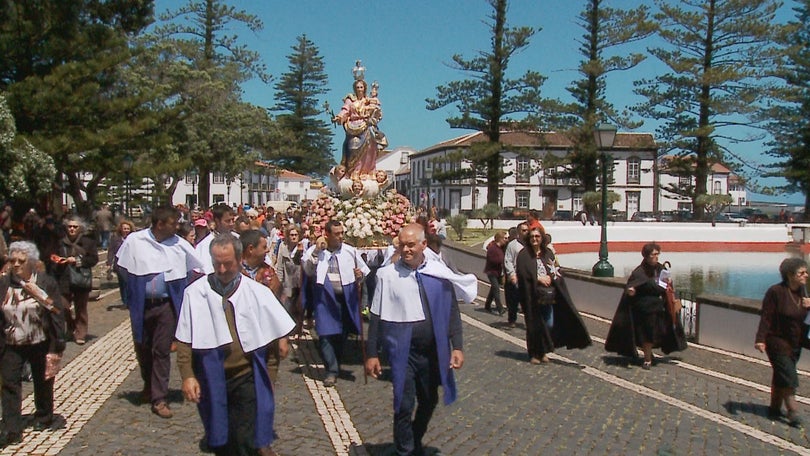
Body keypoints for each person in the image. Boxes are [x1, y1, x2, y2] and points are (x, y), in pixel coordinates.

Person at [176, 234, 295, 455]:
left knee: (245, 438)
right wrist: (187, 375)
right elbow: (184, 339)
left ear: (240, 259)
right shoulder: (194, 293)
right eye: (216, 264)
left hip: (247, 376)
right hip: (211, 377)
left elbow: (271, 343)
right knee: (220, 439)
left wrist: (269, 377)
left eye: (227, 264)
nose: (221, 270)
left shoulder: (257, 293)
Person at [365, 224, 477, 456]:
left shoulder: (438, 272)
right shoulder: (387, 275)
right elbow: (376, 315)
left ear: (423, 245)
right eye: (402, 245)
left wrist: (457, 346)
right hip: (402, 349)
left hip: (433, 351)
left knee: (429, 400)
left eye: (411, 245)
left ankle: (413, 438)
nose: (405, 250)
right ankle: (404, 450)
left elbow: (451, 311)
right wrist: (372, 353)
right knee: (404, 404)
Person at [116, 206, 204, 419]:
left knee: (162, 350)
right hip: (142, 304)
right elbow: (121, 268)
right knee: (143, 347)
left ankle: (159, 398)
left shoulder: (179, 244)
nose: (177, 227)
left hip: (166, 305)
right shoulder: (135, 241)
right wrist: (128, 296)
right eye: (173, 223)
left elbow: (196, 270)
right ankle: (149, 385)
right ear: (160, 224)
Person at [0, 241, 67, 447]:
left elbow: (56, 313)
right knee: (10, 383)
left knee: (42, 380)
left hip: (40, 340)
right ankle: (12, 428)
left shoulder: (45, 282)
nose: (17, 265)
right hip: (12, 343)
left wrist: (58, 344)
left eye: (22, 261)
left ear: (32, 262)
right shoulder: (3, 285)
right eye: (13, 261)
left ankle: (44, 415)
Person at [302, 220, 369, 387]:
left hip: (345, 297)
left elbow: (365, 270)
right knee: (325, 334)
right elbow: (307, 269)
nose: (341, 237)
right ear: (327, 234)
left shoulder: (350, 251)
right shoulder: (317, 250)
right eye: (337, 234)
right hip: (324, 297)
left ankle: (336, 364)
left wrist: (360, 275)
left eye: (342, 233)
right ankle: (331, 370)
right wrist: (317, 251)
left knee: (341, 334)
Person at [515, 226, 592, 364]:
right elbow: (522, 273)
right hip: (532, 296)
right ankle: (534, 353)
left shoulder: (548, 253)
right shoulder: (524, 255)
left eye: (537, 236)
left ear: (542, 238)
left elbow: (555, 269)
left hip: (548, 295)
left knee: (548, 324)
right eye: (532, 236)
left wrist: (551, 276)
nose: (534, 239)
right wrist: (538, 278)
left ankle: (543, 350)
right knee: (534, 326)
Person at [604, 243, 687, 369]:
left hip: (659, 308)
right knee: (647, 334)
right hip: (645, 308)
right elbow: (632, 286)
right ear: (647, 256)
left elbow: (666, 286)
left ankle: (648, 353)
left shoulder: (660, 269)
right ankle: (647, 359)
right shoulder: (639, 272)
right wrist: (631, 290)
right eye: (654, 254)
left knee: (657, 333)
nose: (656, 257)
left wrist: (669, 283)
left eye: (657, 254)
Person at [755, 258, 810, 427]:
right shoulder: (776, 292)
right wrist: (760, 339)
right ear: (790, 275)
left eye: (806, 272)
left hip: (795, 343)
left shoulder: (804, 292)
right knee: (789, 376)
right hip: (776, 341)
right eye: (801, 273)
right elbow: (766, 317)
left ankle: (774, 408)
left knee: (781, 375)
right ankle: (793, 411)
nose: (806, 275)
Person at [49, 216, 98, 345]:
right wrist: (58, 261)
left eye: (75, 227)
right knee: (62, 307)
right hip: (63, 279)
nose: (71, 229)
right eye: (69, 226)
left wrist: (78, 261)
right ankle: (70, 327)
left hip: (81, 279)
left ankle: (80, 333)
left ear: (80, 228)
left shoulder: (88, 242)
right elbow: (51, 257)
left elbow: (93, 259)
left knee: (81, 308)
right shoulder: (60, 242)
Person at [332, 75, 386, 180]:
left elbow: (377, 112)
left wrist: (374, 110)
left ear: (365, 88)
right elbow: (345, 110)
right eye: (357, 87)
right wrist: (339, 117)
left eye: (361, 87)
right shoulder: (350, 100)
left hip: (366, 125)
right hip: (353, 127)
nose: (359, 89)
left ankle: (367, 171)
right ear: (354, 88)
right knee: (353, 147)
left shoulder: (369, 100)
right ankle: (353, 171)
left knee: (370, 148)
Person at [275, 225, 304, 335]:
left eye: (296, 235)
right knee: (287, 306)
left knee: (299, 307)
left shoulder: (303, 247)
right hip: (288, 282)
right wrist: (279, 282)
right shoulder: (283, 247)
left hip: (300, 282)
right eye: (291, 235)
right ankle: (289, 329)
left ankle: (298, 329)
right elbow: (280, 266)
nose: (294, 237)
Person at [196, 204, 237, 274]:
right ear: (217, 221)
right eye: (227, 221)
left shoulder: (237, 238)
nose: (231, 224)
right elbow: (206, 270)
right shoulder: (205, 244)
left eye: (233, 220)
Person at [504, 223, 529, 328]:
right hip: (515, 277)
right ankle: (512, 320)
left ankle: (529, 322)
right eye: (523, 230)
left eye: (527, 230)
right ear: (518, 232)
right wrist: (512, 275)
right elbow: (508, 260)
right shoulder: (512, 245)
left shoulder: (531, 244)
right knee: (513, 302)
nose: (526, 232)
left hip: (527, 278)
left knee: (528, 302)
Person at [107, 219, 135, 308]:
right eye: (124, 228)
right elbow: (111, 250)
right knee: (122, 284)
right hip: (119, 264)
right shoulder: (115, 238)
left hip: (131, 264)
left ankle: (131, 301)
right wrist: (109, 262)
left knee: (130, 283)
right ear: (121, 229)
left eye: (128, 228)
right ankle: (125, 301)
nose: (126, 230)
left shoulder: (133, 238)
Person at [483, 231, 507, 315]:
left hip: (497, 272)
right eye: (505, 238)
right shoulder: (493, 248)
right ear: (500, 239)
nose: (506, 240)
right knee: (496, 289)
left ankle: (487, 305)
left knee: (493, 289)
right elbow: (492, 260)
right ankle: (499, 308)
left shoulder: (500, 248)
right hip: (492, 272)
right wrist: (502, 262)